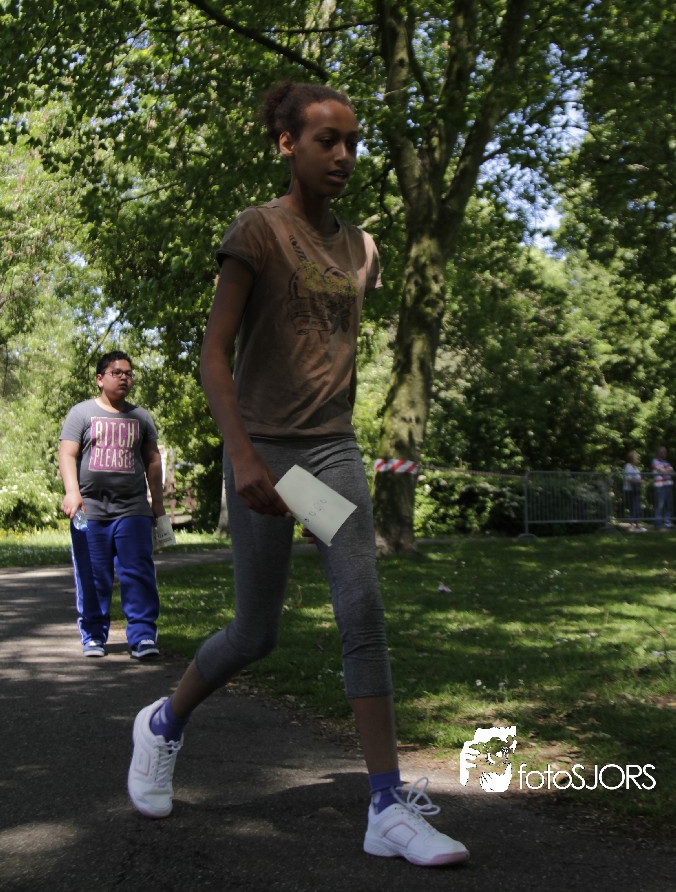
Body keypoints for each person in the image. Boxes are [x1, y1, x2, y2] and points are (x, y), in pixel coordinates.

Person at [127, 81, 469, 867]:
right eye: (327, 140)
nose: (344, 155)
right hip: (266, 452)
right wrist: (243, 454)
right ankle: (163, 724)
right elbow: (215, 354)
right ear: (288, 144)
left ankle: (386, 805)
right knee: (256, 633)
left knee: (362, 609)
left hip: (328, 456)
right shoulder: (258, 230)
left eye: (353, 142)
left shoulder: (362, 249)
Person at [59, 351, 164, 658]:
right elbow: (67, 454)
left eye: (129, 373)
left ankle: (143, 637)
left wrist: (157, 505)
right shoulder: (81, 413)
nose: (124, 378)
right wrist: (72, 492)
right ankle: (93, 635)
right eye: (117, 373)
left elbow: (153, 460)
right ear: (100, 378)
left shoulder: (141, 416)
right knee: (92, 574)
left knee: (138, 573)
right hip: (88, 511)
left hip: (133, 509)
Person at [652, 445, 674, 530]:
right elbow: (662, 472)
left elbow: (673, 472)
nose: (665, 453)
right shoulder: (655, 461)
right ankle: (658, 524)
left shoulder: (666, 462)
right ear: (659, 453)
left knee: (669, 505)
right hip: (660, 486)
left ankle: (668, 523)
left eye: (665, 452)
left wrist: (666, 471)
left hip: (668, 485)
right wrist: (668, 471)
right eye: (663, 452)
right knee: (660, 506)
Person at [623, 451, 644, 531]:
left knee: (637, 507)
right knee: (633, 507)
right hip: (630, 490)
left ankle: (637, 524)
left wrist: (639, 481)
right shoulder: (628, 467)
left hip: (636, 489)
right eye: (636, 458)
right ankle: (632, 525)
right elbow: (629, 479)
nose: (637, 459)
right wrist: (639, 481)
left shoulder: (636, 468)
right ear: (632, 459)